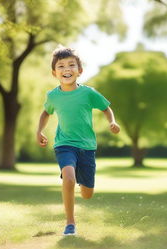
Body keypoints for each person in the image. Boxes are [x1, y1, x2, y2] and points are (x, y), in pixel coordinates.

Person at [36, 45, 120, 236]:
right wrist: (39, 131)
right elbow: (45, 112)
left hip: (87, 147)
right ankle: (70, 223)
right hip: (64, 145)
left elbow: (106, 108)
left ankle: (83, 181)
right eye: (61, 66)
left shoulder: (88, 93)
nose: (67, 69)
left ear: (79, 71)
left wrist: (112, 122)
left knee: (87, 194)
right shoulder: (53, 96)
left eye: (71, 65)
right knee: (68, 178)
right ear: (54, 72)